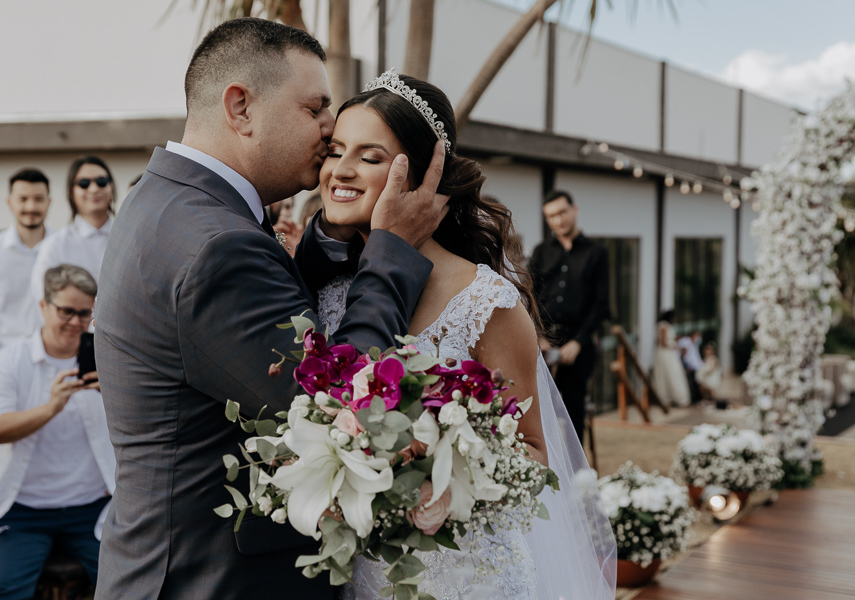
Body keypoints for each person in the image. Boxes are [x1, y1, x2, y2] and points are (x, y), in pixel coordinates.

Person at [93, 19, 447, 600]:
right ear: (241, 108)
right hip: (211, 579)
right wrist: (392, 250)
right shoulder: (217, 246)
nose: (330, 127)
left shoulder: (166, 200)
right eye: (315, 108)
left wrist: (331, 243)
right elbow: (339, 402)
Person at [306, 69, 616, 600]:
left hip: (464, 576)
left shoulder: (484, 300)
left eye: (370, 157)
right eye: (335, 151)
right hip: (364, 572)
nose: (341, 170)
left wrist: (436, 467)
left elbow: (533, 452)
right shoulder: (329, 288)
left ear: (426, 176)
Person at [0, 264, 115, 600]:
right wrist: (51, 407)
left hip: (94, 506)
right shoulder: (12, 360)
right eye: (67, 311)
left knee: (129, 582)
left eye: (85, 313)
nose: (76, 322)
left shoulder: (107, 358)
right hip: (24, 509)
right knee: (7, 586)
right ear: (43, 306)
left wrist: (115, 394)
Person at [528, 190, 609, 445]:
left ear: (575, 210)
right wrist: (539, 336)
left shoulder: (596, 253)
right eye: (551, 216)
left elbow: (601, 305)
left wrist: (578, 342)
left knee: (574, 412)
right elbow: (530, 297)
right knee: (540, 412)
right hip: (543, 344)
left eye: (562, 212)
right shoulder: (541, 251)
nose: (558, 220)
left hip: (578, 345)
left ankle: (577, 468)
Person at [30, 156, 116, 303]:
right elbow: (44, 299)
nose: (94, 189)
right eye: (84, 183)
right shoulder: (55, 245)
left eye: (101, 181)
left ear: (111, 187)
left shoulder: (129, 239)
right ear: (71, 192)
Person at [2, 169, 52, 349]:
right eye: (23, 199)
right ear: (9, 203)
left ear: (49, 202)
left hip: (55, 355)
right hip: (5, 353)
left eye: (39, 199)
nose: (31, 207)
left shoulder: (64, 247)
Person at [652, 309, 691, 407]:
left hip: (669, 354)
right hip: (665, 354)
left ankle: (674, 398)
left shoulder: (666, 326)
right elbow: (663, 342)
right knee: (671, 374)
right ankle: (670, 398)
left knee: (672, 374)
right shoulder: (663, 325)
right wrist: (677, 347)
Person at [677, 330, 703, 403]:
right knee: (690, 384)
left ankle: (697, 398)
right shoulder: (684, 341)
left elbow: (695, 356)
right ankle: (693, 399)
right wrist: (687, 365)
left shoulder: (694, 344)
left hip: (694, 367)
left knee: (695, 383)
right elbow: (683, 355)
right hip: (686, 366)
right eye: (698, 336)